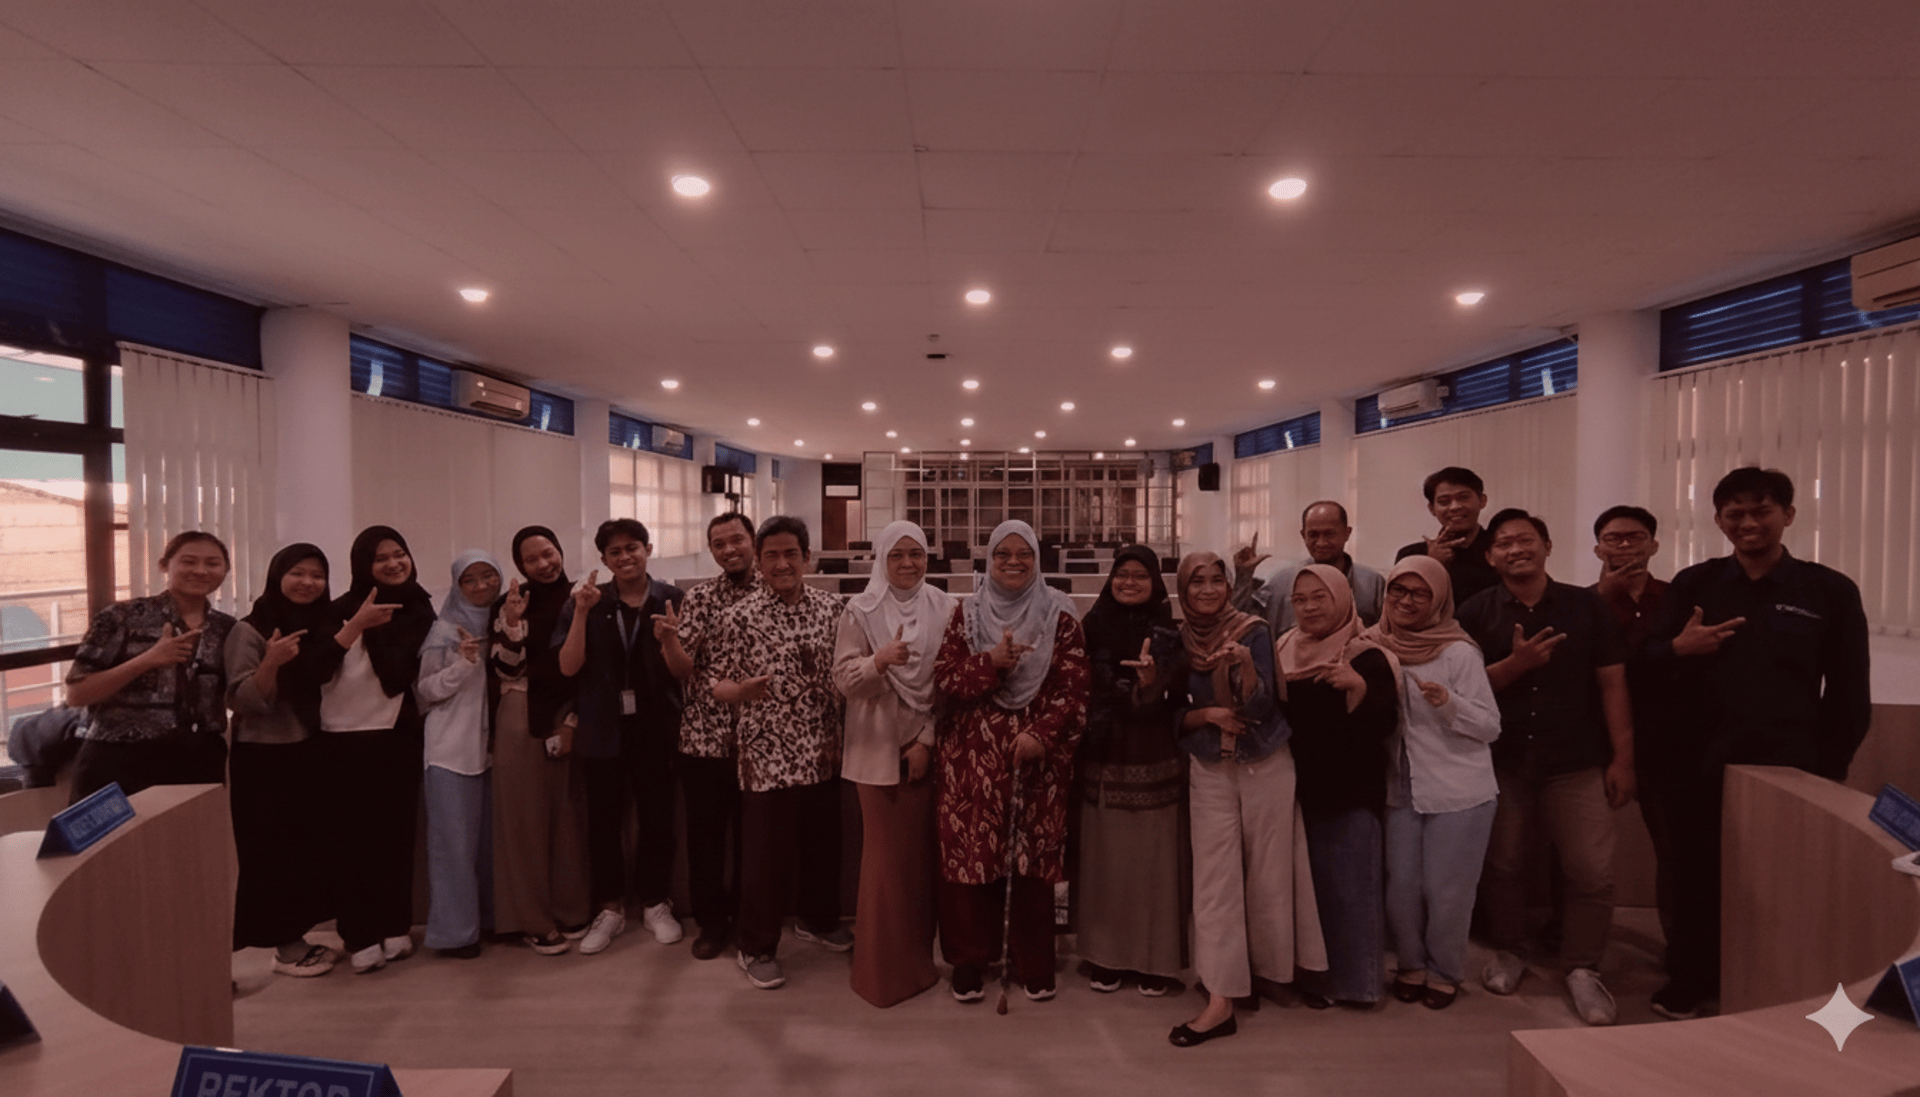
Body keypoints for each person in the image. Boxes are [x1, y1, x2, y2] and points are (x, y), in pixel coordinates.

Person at [1641, 467, 1871, 1020]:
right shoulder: (1695, 585)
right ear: (1719, 521)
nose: (1747, 522)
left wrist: (1826, 770)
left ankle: (1770, 981)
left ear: (1787, 514)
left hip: (1788, 765)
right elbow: (1645, 663)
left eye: (1760, 510)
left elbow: (1848, 693)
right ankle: (1691, 979)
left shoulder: (1829, 590)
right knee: (1693, 874)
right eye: (1734, 513)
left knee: (1778, 879)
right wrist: (1678, 648)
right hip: (1696, 763)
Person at [1456, 509, 1633, 1026]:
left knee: (1592, 871)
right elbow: (1462, 692)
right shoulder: (1475, 612)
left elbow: (1613, 685)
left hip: (1576, 759)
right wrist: (1516, 666)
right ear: (1490, 557)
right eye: (1504, 543)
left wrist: (1624, 757)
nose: (1516, 549)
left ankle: (1581, 967)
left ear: (1548, 545)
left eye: (1525, 540)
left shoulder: (1586, 608)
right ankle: (1511, 949)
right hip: (1501, 760)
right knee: (1505, 863)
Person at [1168, 551, 1323, 1047]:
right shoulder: (1176, 639)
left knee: (1270, 874)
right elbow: (1172, 715)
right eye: (1198, 582)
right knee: (1215, 881)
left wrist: (1246, 671)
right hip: (1210, 767)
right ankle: (1221, 996)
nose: (1209, 590)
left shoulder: (1251, 630)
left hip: (1265, 764)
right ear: (1184, 590)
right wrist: (1207, 715)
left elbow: (1262, 706)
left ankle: (1267, 973)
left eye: (1218, 580)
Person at [933, 520, 1089, 1005]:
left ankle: (1033, 962)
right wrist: (991, 664)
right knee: (970, 863)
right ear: (989, 561)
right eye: (1003, 554)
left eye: (1024, 553)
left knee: (1030, 862)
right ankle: (968, 961)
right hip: (972, 760)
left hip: (1037, 761)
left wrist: (1041, 735)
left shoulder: (1060, 615)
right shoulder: (968, 613)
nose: (1014, 562)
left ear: (1038, 558)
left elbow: (1075, 690)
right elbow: (946, 680)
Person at [711, 516, 850, 990]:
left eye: (791, 553)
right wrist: (740, 691)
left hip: (823, 751)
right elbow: (717, 684)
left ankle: (816, 920)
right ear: (759, 559)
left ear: (807, 557)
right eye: (771, 554)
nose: (781, 563)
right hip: (765, 758)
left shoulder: (834, 610)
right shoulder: (738, 616)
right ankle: (757, 947)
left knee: (821, 850)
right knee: (764, 862)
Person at [1364, 555, 1501, 1010]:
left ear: (1438, 598)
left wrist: (1448, 705)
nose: (1405, 601)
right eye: (1397, 591)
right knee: (1401, 884)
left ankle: (1444, 971)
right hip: (1398, 783)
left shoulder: (1458, 651)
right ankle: (1411, 964)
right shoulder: (1374, 643)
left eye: (1418, 593)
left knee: (1446, 889)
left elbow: (1489, 726)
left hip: (1458, 788)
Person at [832, 520, 956, 1007]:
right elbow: (844, 679)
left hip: (927, 752)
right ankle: (881, 974)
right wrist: (878, 662)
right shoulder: (860, 610)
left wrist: (925, 739)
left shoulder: (945, 607)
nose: (908, 563)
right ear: (881, 559)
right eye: (897, 555)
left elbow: (948, 684)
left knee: (920, 865)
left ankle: (919, 965)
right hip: (877, 754)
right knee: (885, 865)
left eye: (917, 554)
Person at [557, 519, 687, 956]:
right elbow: (568, 667)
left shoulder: (671, 599)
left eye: (632, 548)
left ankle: (654, 902)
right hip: (601, 729)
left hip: (656, 728)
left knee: (656, 819)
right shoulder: (588, 601)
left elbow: (686, 671)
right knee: (603, 824)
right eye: (615, 552)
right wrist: (579, 612)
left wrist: (670, 641)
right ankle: (609, 907)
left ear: (648, 548)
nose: (625, 557)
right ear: (603, 560)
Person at [1275, 565, 1400, 1010]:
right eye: (1300, 599)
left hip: (1350, 790)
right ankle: (1311, 979)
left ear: (1344, 598)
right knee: (1308, 894)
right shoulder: (1283, 650)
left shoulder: (1369, 655)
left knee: (1351, 889)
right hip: (1295, 791)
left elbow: (1384, 727)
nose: (1309, 607)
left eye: (1319, 597)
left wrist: (1360, 688)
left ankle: (1356, 984)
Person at [319, 525, 437, 974]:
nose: (393, 563)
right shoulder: (337, 612)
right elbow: (317, 668)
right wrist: (355, 627)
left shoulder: (420, 607)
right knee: (352, 841)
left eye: (400, 553)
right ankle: (359, 932)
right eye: (381, 557)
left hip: (397, 734)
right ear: (363, 566)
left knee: (395, 836)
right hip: (342, 737)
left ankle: (394, 925)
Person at [226, 542, 345, 978]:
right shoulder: (250, 630)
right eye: (298, 573)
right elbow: (242, 699)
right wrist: (271, 663)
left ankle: (297, 938)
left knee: (305, 850)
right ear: (278, 575)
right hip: (265, 756)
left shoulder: (324, 625)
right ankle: (286, 947)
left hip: (312, 748)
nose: (308, 583)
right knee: (271, 855)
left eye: (317, 575)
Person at [1073, 545, 1185, 997]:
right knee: (1105, 861)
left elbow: (1179, 700)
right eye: (1122, 574)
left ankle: (1155, 960)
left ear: (1156, 582)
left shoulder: (1169, 634)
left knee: (1153, 864)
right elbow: (1076, 684)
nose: (1130, 582)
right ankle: (1106, 956)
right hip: (1102, 753)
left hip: (1152, 752)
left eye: (1141, 575)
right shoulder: (1092, 626)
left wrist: (1150, 688)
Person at [1590, 505, 1686, 987]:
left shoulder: (1676, 599)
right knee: (1580, 855)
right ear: (1597, 549)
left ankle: (1682, 948)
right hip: (1589, 743)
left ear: (1654, 544)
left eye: (1635, 538)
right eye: (1614, 539)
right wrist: (1604, 600)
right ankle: (1575, 947)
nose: (1625, 547)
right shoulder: (1580, 603)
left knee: (1674, 850)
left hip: (1665, 742)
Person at [65, 530, 235, 801]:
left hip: (198, 758)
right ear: (164, 565)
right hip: (119, 758)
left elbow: (235, 695)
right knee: (110, 844)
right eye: (189, 561)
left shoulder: (227, 628)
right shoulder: (121, 617)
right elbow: (77, 694)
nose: (201, 570)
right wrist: (148, 659)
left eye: (212, 563)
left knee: (189, 842)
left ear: (226, 570)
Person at [661, 513, 761, 960]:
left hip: (763, 743)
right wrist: (668, 642)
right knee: (705, 840)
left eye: (736, 540)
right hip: (705, 739)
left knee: (753, 839)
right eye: (718, 544)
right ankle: (711, 923)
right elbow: (683, 670)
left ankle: (747, 919)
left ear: (752, 541)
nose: (729, 550)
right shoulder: (699, 597)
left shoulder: (775, 590)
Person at [489, 525, 592, 957]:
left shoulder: (582, 597)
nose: (544, 564)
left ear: (561, 550)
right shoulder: (510, 604)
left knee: (569, 818)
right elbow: (507, 671)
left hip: (571, 716)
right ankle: (532, 919)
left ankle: (572, 910)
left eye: (548, 553)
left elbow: (592, 671)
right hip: (520, 713)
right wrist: (512, 624)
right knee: (524, 822)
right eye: (532, 560)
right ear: (520, 567)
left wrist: (571, 721)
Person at [415, 550, 502, 960]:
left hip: (488, 753)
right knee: (453, 847)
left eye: (489, 576)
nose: (482, 585)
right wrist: (463, 665)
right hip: (450, 753)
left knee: (486, 846)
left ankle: (488, 920)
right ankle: (455, 934)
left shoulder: (504, 622)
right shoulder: (445, 631)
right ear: (457, 586)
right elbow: (424, 694)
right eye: (471, 580)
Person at [1232, 501, 1388, 634]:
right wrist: (1243, 576)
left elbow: (1387, 633)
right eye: (1313, 535)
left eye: (1329, 534)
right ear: (1303, 535)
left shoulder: (1371, 583)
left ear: (1347, 533)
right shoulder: (1282, 583)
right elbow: (1244, 627)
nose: (1321, 543)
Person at [1395, 467, 1499, 607]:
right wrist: (1430, 564)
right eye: (1444, 502)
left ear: (1482, 501)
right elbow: (1402, 607)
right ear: (1432, 508)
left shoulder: (1500, 550)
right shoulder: (1411, 556)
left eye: (1464, 498)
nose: (1455, 507)